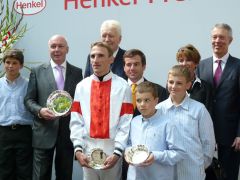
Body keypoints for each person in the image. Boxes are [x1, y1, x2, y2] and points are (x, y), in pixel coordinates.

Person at [70, 41, 133, 180]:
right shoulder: (81, 86)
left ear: (111, 59)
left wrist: (117, 153)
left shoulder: (123, 86)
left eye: (100, 56)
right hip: (87, 149)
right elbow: (76, 120)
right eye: (92, 56)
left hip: (112, 151)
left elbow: (125, 123)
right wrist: (78, 150)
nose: (95, 60)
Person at [24, 35, 83, 180]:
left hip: (67, 133)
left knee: (64, 175)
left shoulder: (77, 72)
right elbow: (28, 100)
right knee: (40, 176)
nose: (57, 49)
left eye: (60, 46)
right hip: (43, 132)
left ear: (67, 49)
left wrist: (74, 109)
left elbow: (81, 102)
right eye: (53, 46)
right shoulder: (37, 71)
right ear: (49, 49)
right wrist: (40, 111)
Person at [196, 23, 240, 180]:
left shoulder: (238, 66)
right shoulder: (201, 66)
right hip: (204, 135)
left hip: (230, 137)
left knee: (229, 175)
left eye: (222, 37)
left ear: (230, 40)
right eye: (214, 37)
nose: (217, 40)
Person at [156, 65, 215, 180]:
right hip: (165, 173)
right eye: (171, 82)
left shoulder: (199, 110)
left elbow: (208, 143)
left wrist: (199, 165)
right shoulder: (158, 110)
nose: (173, 86)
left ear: (188, 85)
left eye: (179, 83)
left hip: (192, 172)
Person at [126, 81, 186, 180]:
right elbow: (129, 144)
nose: (142, 104)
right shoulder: (134, 122)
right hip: (135, 176)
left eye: (147, 100)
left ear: (156, 100)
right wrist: (128, 153)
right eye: (139, 100)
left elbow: (179, 153)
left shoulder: (168, 123)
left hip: (159, 176)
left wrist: (155, 156)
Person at [0, 49, 33, 180]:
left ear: (21, 65)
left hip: (24, 132)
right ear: (3, 63)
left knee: (24, 170)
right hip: (3, 133)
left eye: (14, 63)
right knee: (4, 169)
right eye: (7, 62)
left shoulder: (29, 84)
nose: (10, 66)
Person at [123, 48, 168, 117]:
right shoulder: (116, 89)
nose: (132, 68)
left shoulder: (160, 91)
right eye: (129, 65)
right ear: (124, 67)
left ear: (144, 67)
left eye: (136, 64)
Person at [176, 44, 212, 115]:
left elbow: (208, 114)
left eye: (188, 60)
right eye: (181, 60)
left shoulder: (206, 87)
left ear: (196, 63)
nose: (184, 63)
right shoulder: (171, 85)